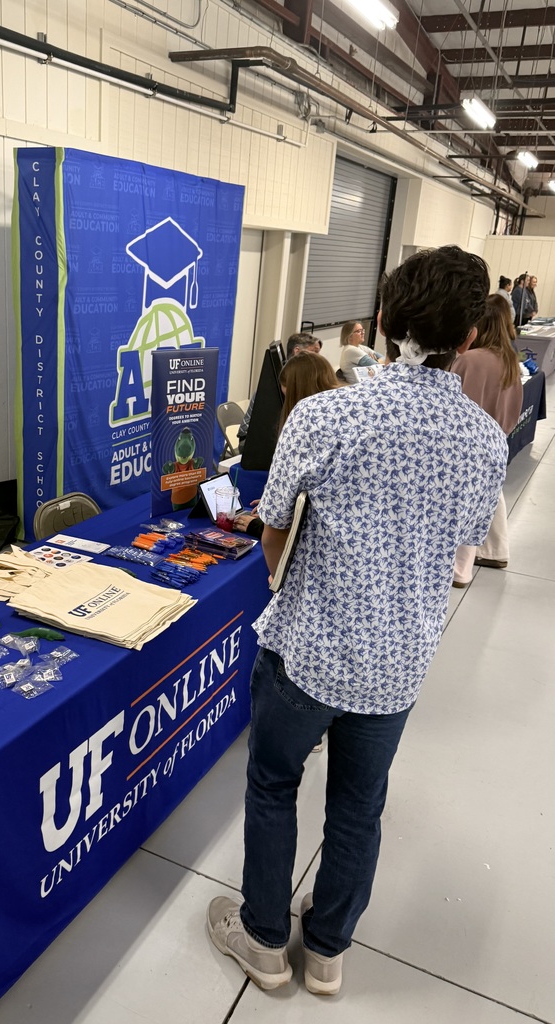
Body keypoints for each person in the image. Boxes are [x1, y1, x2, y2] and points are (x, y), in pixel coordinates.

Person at [206, 246, 508, 998]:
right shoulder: (482, 441)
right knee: (359, 805)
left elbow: (272, 528)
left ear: (383, 321)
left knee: (274, 785)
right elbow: (461, 542)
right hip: (400, 659)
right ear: (469, 337)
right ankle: (329, 949)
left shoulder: (326, 412)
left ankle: (266, 940)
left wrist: (289, 581)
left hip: (308, 647)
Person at [452, 295, 523, 586]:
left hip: (466, 443)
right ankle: (495, 550)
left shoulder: (469, 360)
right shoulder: (509, 360)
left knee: (466, 505)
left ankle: (459, 570)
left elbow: (451, 401)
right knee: (490, 497)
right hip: (496, 440)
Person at [234, 352, 338, 538]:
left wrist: (263, 521)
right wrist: (278, 502)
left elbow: (279, 534)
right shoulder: (344, 416)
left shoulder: (302, 426)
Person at [237, 333, 323, 449]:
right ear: (297, 351)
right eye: (315, 352)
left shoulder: (298, 375)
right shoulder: (284, 377)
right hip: (251, 439)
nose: (319, 357)